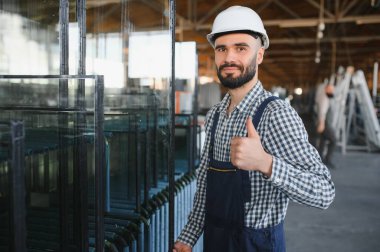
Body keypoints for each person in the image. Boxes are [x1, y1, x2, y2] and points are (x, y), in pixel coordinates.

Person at [173, 5, 335, 252]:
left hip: (256, 245)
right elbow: (205, 183)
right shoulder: (216, 114)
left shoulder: (275, 114)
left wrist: (266, 163)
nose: (229, 58)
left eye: (241, 48)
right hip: (215, 242)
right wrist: (188, 237)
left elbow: (324, 192)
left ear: (259, 55)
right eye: (221, 49)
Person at [314, 82, 336, 168]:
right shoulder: (324, 98)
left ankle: (320, 160)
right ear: (326, 89)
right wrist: (322, 124)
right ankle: (328, 160)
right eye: (330, 90)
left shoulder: (325, 96)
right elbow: (322, 112)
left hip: (324, 121)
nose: (332, 91)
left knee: (323, 140)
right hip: (324, 122)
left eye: (333, 90)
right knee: (333, 140)